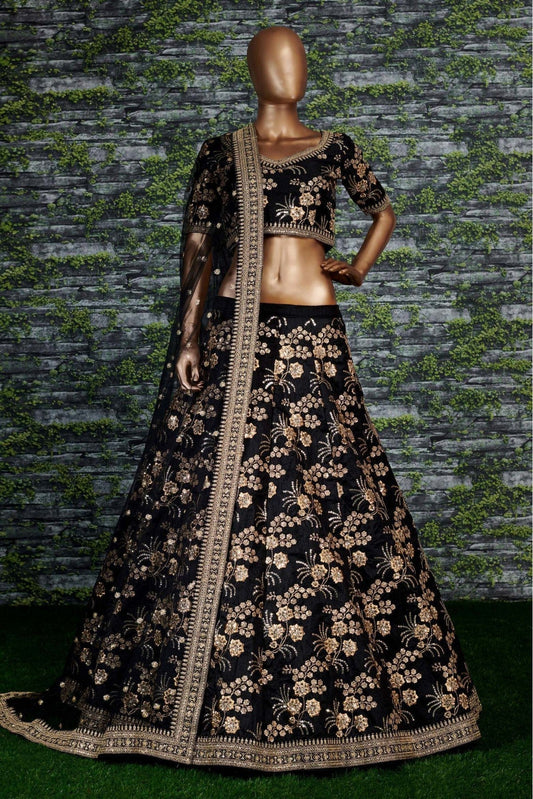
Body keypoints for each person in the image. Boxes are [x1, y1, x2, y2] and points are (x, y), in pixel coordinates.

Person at [0, 25, 482, 773]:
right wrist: (189, 337)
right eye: (275, 58)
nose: (291, 70)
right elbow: (197, 247)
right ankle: (192, 676)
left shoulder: (336, 147)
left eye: (299, 58)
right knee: (211, 486)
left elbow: (382, 210)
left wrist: (358, 266)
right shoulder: (221, 153)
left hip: (312, 327)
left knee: (328, 478)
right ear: (255, 69)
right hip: (235, 325)